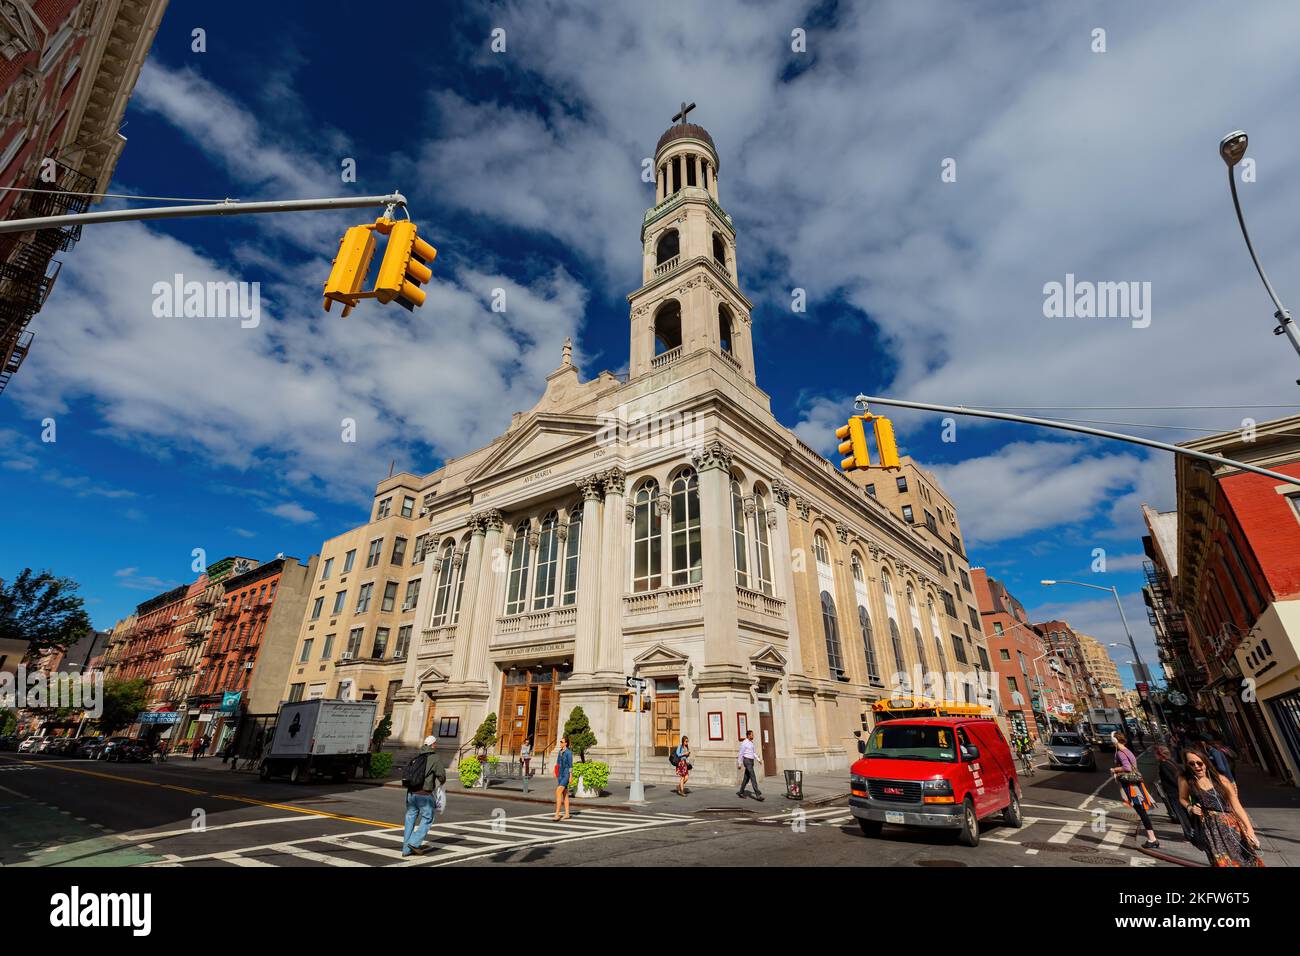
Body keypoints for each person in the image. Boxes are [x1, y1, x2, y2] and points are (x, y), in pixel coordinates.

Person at [1179, 746, 1263, 867]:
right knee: (1222, 862)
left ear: (1206, 762)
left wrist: (1250, 829)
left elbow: (1237, 806)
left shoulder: (1221, 780)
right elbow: (1182, 798)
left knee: (1245, 860)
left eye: (1199, 763)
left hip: (1231, 826)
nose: (1196, 766)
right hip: (1210, 829)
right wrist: (1190, 807)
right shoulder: (1185, 780)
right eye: (1192, 764)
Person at [1110, 732, 1160, 849]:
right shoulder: (1127, 751)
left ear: (1115, 741)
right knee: (1141, 811)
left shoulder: (1121, 753)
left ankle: (1152, 839)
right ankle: (1152, 838)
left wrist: (1114, 769)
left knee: (1141, 811)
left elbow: (1127, 768)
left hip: (1132, 786)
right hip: (1136, 784)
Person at [402, 736, 446, 858]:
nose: (436, 745)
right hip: (424, 794)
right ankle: (414, 843)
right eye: (435, 744)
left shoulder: (418, 757)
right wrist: (442, 782)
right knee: (428, 818)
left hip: (411, 793)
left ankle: (406, 850)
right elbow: (441, 775)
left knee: (410, 819)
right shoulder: (434, 757)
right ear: (433, 745)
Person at [1154, 744, 1194, 839]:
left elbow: (1172, 779)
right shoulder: (1172, 762)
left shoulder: (1163, 765)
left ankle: (1189, 834)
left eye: (1155, 754)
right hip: (1181, 791)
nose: (1154, 757)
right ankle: (1192, 832)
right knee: (1186, 813)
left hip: (1174, 793)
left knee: (1181, 814)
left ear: (1160, 755)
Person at [737, 729, 764, 801]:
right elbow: (741, 753)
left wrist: (758, 759)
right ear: (748, 735)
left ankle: (741, 792)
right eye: (752, 735)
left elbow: (753, 752)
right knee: (753, 776)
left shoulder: (751, 743)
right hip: (747, 761)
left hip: (751, 761)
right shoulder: (744, 743)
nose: (753, 736)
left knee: (746, 778)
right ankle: (758, 795)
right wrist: (739, 763)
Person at [554, 735, 573, 821]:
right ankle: (567, 814)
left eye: (562, 742)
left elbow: (570, 765)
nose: (560, 743)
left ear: (566, 743)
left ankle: (557, 814)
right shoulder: (560, 752)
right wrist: (555, 772)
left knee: (558, 791)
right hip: (560, 775)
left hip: (566, 774)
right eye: (560, 742)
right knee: (565, 794)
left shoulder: (569, 753)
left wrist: (570, 776)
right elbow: (557, 763)